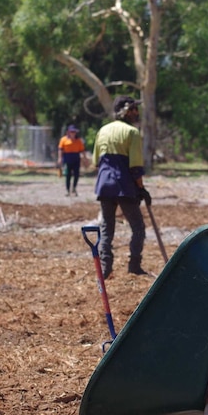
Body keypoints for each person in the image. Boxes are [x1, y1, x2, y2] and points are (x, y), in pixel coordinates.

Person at [93, 95, 151, 278]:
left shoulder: (102, 130)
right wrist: (141, 188)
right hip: (123, 185)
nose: (136, 113)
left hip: (104, 184)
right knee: (138, 227)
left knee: (106, 227)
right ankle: (134, 266)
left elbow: (96, 162)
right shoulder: (132, 132)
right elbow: (135, 166)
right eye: (133, 109)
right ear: (125, 111)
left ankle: (105, 268)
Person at [57, 124, 87, 196]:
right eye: (71, 132)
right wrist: (60, 158)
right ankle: (67, 190)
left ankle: (74, 188)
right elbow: (60, 149)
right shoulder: (63, 140)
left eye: (74, 132)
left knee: (76, 174)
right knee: (68, 175)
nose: (73, 133)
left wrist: (85, 159)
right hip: (67, 158)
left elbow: (82, 150)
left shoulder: (78, 140)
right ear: (68, 132)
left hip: (76, 158)